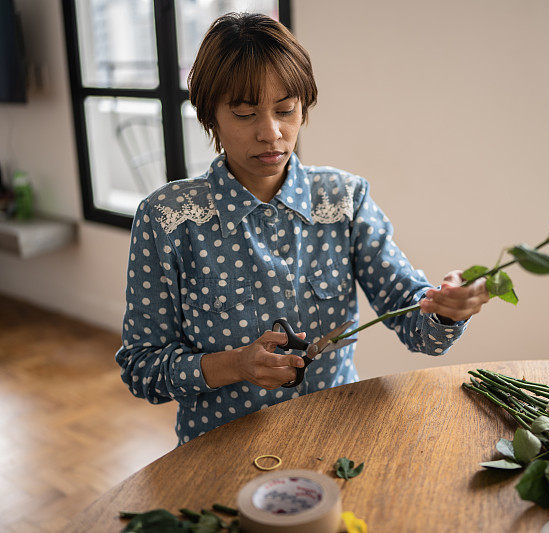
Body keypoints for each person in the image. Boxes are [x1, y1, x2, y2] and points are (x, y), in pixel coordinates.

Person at [115, 13, 490, 446]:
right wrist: (235, 364)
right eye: (244, 112)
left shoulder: (343, 199)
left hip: (336, 437)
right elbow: (143, 370)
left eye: (286, 109)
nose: (270, 132)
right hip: (219, 448)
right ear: (210, 116)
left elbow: (413, 317)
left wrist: (445, 307)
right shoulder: (168, 219)